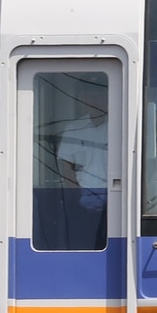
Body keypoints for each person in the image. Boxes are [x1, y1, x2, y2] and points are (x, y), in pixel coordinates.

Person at [55, 82, 108, 248]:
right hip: (81, 198)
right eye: (90, 96)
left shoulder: (120, 126)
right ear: (82, 99)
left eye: (99, 95)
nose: (95, 100)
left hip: (115, 197)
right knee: (82, 245)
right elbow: (65, 165)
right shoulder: (73, 128)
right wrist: (77, 195)